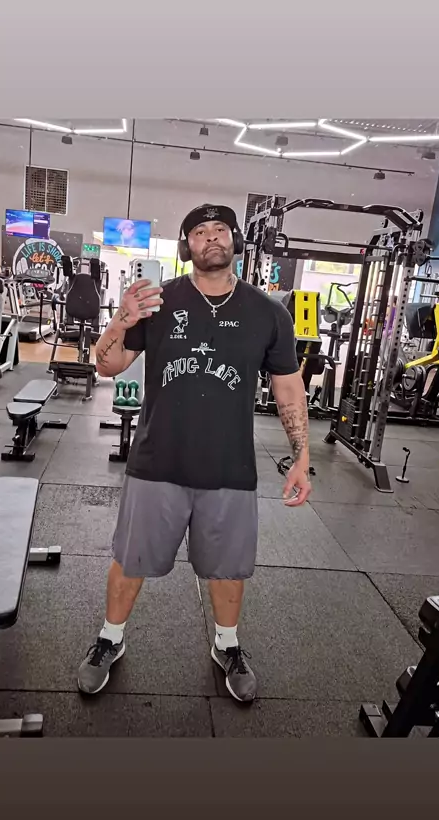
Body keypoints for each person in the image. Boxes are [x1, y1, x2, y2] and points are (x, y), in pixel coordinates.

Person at [78, 203, 311, 702]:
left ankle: (227, 645)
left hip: (230, 466)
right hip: (156, 461)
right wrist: (120, 321)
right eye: (200, 232)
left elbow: (289, 389)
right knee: (130, 560)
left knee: (228, 569)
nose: (211, 238)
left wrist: (302, 457)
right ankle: (110, 638)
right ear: (187, 246)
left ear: (235, 240)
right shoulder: (158, 302)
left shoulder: (268, 312)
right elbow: (107, 365)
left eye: (220, 229)